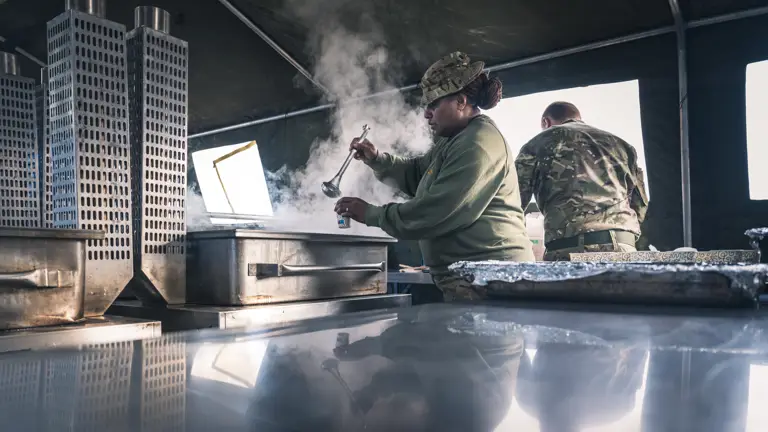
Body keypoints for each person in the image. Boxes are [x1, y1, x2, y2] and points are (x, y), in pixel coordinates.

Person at [334, 52, 534, 301]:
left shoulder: (477, 144)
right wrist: (377, 159)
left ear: (461, 101)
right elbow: (419, 175)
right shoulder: (453, 140)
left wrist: (373, 214)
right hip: (474, 278)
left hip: (491, 279)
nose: (427, 114)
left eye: (434, 105)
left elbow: (436, 211)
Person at [515, 101, 649, 261]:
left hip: (572, 249)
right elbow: (640, 206)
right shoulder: (623, 146)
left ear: (546, 122)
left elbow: (513, 201)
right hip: (625, 248)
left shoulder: (538, 144)